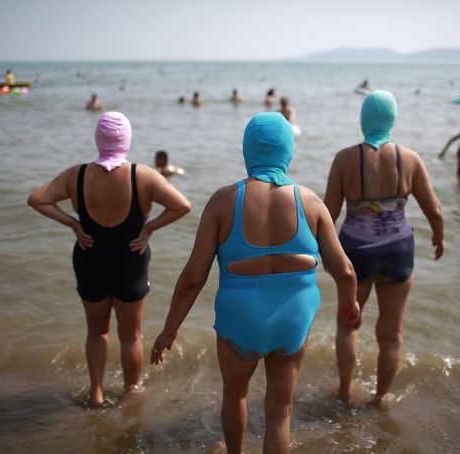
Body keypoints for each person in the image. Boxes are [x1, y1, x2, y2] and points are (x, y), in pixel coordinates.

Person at [150, 112, 359, 453]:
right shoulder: (311, 202)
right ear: (288, 150)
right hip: (293, 319)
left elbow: (192, 278)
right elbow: (345, 271)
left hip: (240, 319)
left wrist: (169, 330)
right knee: (280, 412)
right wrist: (350, 303)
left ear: (247, 149)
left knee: (235, 395)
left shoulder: (222, 201)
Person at [27, 112, 191, 407]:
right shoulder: (142, 176)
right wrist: (149, 228)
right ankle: (131, 392)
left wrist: (74, 225)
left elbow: (37, 199)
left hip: (90, 259)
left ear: (98, 139)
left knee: (96, 331)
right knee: (131, 337)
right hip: (131, 260)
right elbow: (182, 206)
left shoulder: (76, 175)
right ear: (126, 139)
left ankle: (96, 393)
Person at [324, 90, 445, 407]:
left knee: (349, 325)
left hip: (356, 252)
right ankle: (380, 397)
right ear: (392, 119)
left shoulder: (345, 159)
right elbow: (435, 210)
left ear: (363, 119)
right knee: (392, 333)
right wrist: (438, 237)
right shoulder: (410, 158)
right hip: (397, 250)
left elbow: (328, 214)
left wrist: (320, 251)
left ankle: (345, 392)